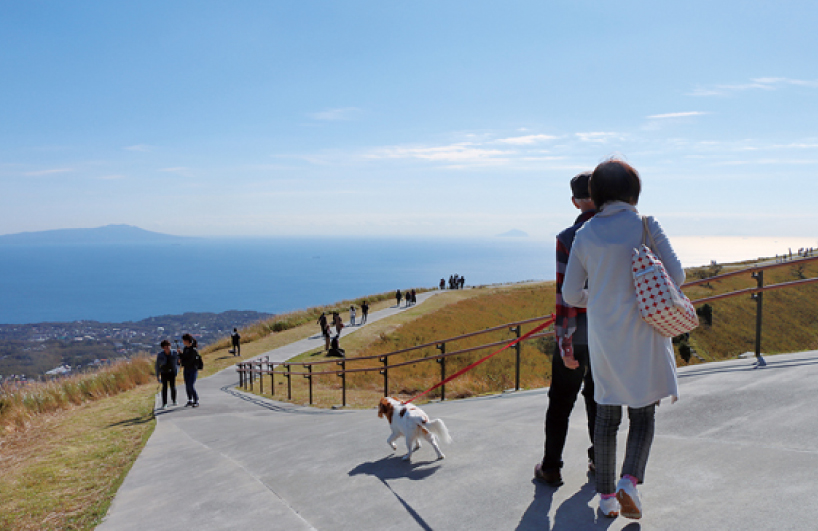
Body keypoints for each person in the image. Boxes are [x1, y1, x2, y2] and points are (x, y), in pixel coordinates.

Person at [562, 159, 684, 519]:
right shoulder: (646, 225)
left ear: (596, 194)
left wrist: (597, 298)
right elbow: (676, 276)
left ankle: (605, 499)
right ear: (634, 191)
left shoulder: (585, 235)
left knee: (606, 416)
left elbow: (571, 294)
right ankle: (629, 481)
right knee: (643, 413)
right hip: (645, 332)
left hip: (604, 337)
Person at [535, 171, 598, 487]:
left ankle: (551, 466)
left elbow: (564, 298)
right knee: (599, 397)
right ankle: (600, 460)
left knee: (560, 401)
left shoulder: (567, 237)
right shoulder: (616, 233)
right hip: (609, 332)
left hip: (577, 331)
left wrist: (565, 343)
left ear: (574, 201)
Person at [155, 339, 179, 409]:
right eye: (166, 347)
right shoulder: (160, 355)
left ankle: (174, 400)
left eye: (168, 346)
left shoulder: (175, 353)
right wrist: (157, 376)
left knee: (173, 387)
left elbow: (178, 362)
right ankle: (164, 403)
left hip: (172, 372)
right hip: (164, 372)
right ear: (163, 348)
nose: (167, 348)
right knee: (164, 388)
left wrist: (177, 371)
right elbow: (157, 365)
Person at [178, 333, 201, 407]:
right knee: (187, 385)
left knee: (190, 385)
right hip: (186, 369)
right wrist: (180, 354)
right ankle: (190, 400)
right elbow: (184, 357)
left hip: (193, 369)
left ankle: (196, 400)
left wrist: (181, 361)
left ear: (187, 341)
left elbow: (189, 361)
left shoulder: (193, 350)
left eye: (184, 340)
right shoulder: (185, 349)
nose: (183, 342)